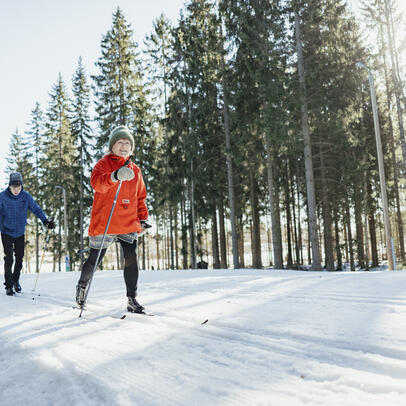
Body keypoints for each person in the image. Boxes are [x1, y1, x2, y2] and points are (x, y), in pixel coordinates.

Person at [76, 126, 151, 313]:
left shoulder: (136, 170)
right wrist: (115, 176)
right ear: (112, 146)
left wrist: (142, 218)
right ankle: (82, 287)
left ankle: (132, 298)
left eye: (127, 143)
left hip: (127, 221)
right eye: (120, 142)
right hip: (106, 221)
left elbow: (140, 196)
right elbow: (97, 184)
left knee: (131, 259)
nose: (124, 146)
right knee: (95, 259)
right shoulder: (103, 164)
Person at [0, 172, 55, 295]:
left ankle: (15, 281)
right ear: (9, 186)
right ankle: (8, 286)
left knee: (19, 258)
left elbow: (36, 209)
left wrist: (45, 221)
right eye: (14, 187)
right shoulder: (2, 197)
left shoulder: (25, 197)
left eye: (18, 187)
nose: (16, 190)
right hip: (6, 232)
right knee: (9, 258)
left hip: (19, 232)